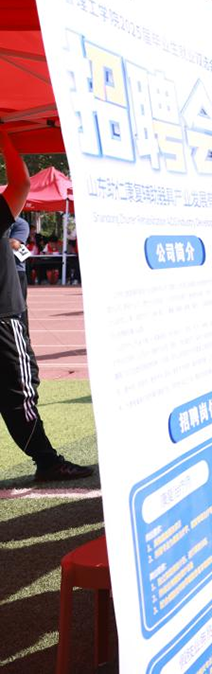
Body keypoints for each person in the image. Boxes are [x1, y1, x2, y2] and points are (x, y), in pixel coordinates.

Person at [0, 135, 92, 482]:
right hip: (3, 316)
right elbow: (21, 183)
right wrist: (6, 137)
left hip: (8, 310)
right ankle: (47, 460)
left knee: (22, 385)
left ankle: (46, 459)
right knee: (21, 390)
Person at [4, 211, 30, 324]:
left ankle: (23, 333)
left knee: (18, 307)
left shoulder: (19, 223)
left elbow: (15, 244)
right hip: (3, 270)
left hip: (16, 271)